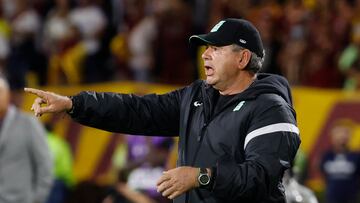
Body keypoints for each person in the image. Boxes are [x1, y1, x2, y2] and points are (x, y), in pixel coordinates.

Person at [25, 18, 301, 202]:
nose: (205, 54)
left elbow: (261, 177)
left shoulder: (271, 109)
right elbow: (137, 110)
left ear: (242, 58)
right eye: (206, 48)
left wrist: (201, 176)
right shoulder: (197, 97)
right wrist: (75, 104)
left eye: (216, 48)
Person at [0, 74, 53, 203]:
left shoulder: (27, 123)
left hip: (21, 199)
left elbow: (44, 163)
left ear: (8, 95)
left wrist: (38, 198)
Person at [320, 119, 360, 203]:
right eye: (338, 133)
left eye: (345, 133)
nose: (342, 136)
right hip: (331, 199)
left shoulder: (356, 157)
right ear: (332, 135)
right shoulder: (326, 156)